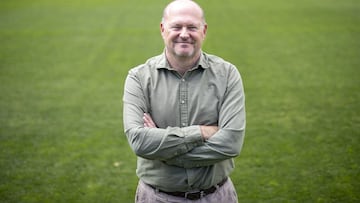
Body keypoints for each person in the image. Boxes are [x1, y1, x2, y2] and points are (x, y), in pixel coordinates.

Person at [123, 0, 246, 202]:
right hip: (157, 197)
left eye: (192, 27)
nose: (184, 33)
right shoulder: (138, 77)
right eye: (176, 26)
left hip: (216, 196)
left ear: (204, 30)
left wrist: (162, 150)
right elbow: (139, 142)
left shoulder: (227, 74)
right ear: (163, 29)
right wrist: (202, 132)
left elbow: (230, 144)